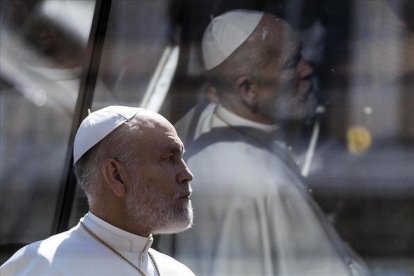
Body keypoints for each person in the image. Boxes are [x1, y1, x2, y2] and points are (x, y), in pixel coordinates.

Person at [158, 10, 368, 275]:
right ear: (248, 89)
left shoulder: (190, 126)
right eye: (292, 63)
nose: (307, 69)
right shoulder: (265, 183)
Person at [0, 106, 195, 276]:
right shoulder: (40, 267)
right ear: (116, 175)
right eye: (169, 158)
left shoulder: (178, 272)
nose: (187, 174)